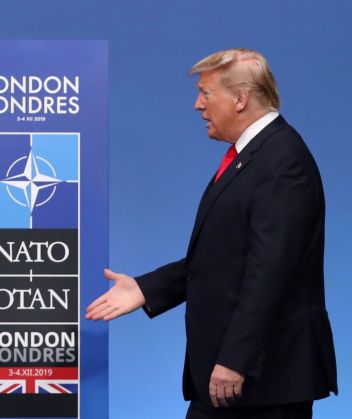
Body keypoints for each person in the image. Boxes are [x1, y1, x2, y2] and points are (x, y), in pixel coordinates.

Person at [85, 49, 337, 418]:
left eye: (205, 93)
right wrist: (147, 288)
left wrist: (237, 359)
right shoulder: (252, 156)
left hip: (263, 381)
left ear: (240, 99)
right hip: (236, 379)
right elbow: (228, 258)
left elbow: (271, 271)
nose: (197, 105)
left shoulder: (282, 161)